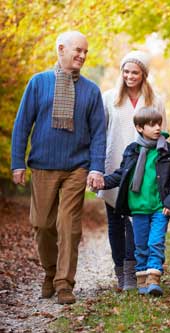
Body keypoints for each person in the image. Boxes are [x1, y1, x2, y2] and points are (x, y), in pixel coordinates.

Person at [10, 31, 106, 304]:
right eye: (78, 50)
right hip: (42, 164)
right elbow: (22, 124)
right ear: (61, 49)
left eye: (86, 52)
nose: (83, 56)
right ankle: (50, 271)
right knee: (42, 224)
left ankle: (65, 283)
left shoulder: (91, 90)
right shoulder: (38, 83)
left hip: (77, 166)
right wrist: (18, 162)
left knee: (69, 225)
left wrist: (96, 168)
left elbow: (99, 133)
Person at [98, 50, 167, 292]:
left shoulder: (155, 100)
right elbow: (99, 133)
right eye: (126, 71)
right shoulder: (108, 98)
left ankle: (132, 273)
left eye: (135, 72)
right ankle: (121, 273)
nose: (129, 76)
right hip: (114, 164)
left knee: (134, 223)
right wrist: (97, 169)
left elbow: (162, 137)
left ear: (143, 74)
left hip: (143, 171)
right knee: (115, 223)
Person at [98, 106, 170, 297]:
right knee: (141, 244)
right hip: (137, 208)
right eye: (151, 125)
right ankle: (143, 281)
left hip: (160, 208)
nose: (157, 128)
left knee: (156, 242)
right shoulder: (132, 150)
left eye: (158, 124)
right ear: (139, 127)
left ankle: (154, 279)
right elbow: (122, 174)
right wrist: (103, 182)